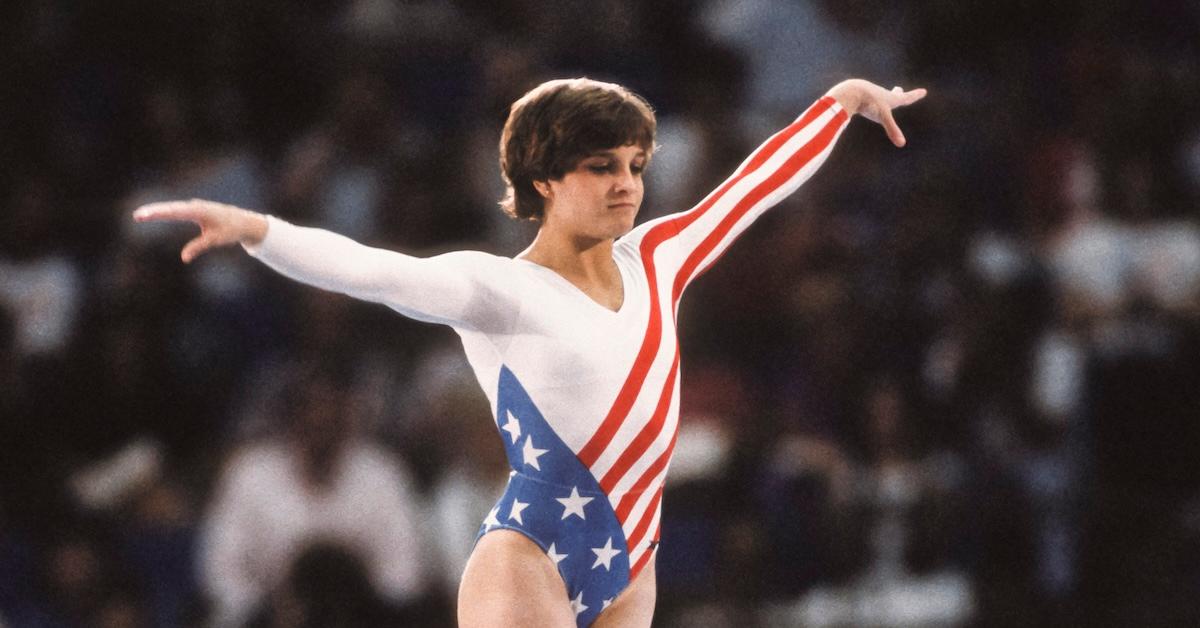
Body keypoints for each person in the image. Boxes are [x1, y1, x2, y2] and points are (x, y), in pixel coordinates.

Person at [134, 76, 925, 627]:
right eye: (601, 166)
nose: (626, 185)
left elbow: (752, 188)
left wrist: (841, 103)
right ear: (544, 177)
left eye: (635, 167)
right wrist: (259, 231)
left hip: (630, 562)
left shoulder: (659, 257)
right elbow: (375, 273)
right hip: (531, 558)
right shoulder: (498, 289)